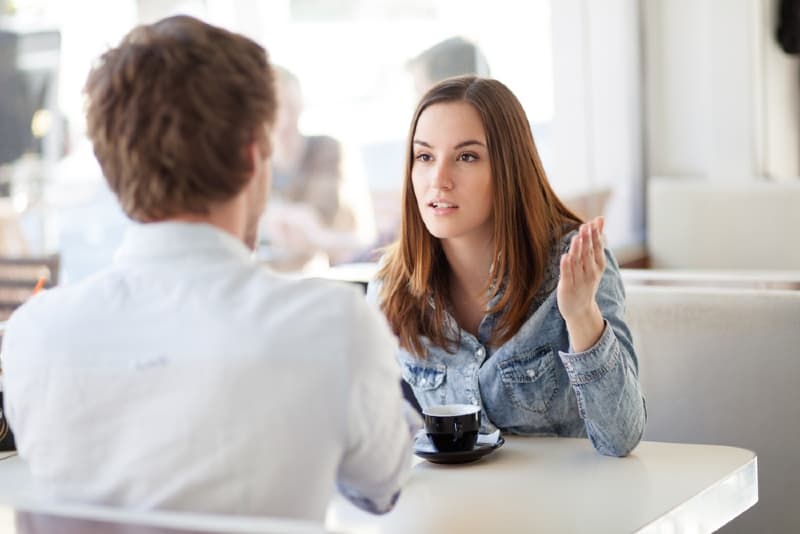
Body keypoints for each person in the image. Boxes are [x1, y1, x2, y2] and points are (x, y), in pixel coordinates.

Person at [1, 15, 417, 519]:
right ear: (250, 159)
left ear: (111, 166)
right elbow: (382, 488)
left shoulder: (33, 337)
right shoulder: (333, 325)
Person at [369, 76, 646, 457]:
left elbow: (622, 437)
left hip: (567, 508)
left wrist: (581, 315)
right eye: (425, 156)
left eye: (467, 157)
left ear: (508, 168)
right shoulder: (390, 288)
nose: (439, 180)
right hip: (455, 510)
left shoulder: (572, 265)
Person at [260, 66, 375, 271]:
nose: (285, 118)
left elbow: (317, 217)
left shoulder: (327, 149)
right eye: (276, 108)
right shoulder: (259, 160)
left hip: (342, 264)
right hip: (285, 270)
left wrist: (276, 217)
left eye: (291, 106)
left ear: (301, 105)